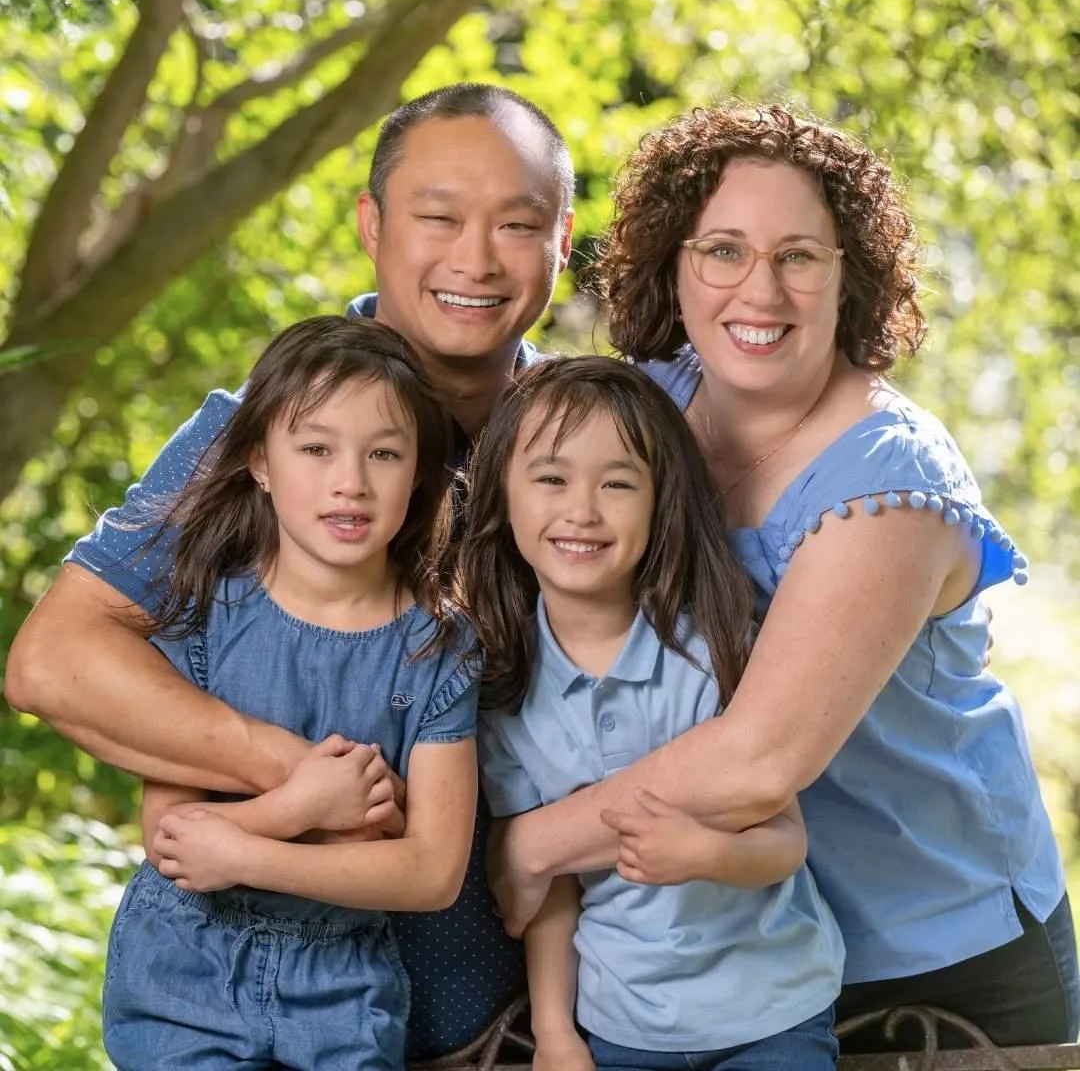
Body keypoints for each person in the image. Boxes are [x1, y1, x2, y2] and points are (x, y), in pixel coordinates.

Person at [488, 102, 1080, 1053]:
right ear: (674, 265)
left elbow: (761, 759)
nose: (758, 291)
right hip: (728, 954)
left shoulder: (893, 487)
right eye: (723, 249)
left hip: (932, 958)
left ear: (849, 278)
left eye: (799, 256)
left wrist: (529, 846)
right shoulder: (651, 407)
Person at [5, 83, 573, 1059]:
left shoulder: (597, 449)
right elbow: (54, 662)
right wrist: (310, 780)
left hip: (522, 1030)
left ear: (564, 239)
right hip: (233, 1017)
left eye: (517, 225)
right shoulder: (257, 432)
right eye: (438, 216)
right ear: (372, 224)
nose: (475, 259)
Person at [101, 315, 478, 1069]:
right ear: (260, 461)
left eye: (385, 453)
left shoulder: (440, 647)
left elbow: (431, 872)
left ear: (419, 471)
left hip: (345, 989)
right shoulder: (202, 614)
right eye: (315, 448)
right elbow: (174, 838)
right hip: (184, 977)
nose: (351, 481)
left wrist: (244, 850)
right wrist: (305, 807)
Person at [458, 355, 844, 1070]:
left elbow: (785, 839)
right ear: (502, 496)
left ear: (659, 500)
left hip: (772, 1008)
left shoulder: (712, 653)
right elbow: (548, 884)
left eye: (618, 484)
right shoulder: (503, 692)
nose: (582, 510)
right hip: (625, 1023)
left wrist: (710, 854)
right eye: (550, 479)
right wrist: (554, 1033)